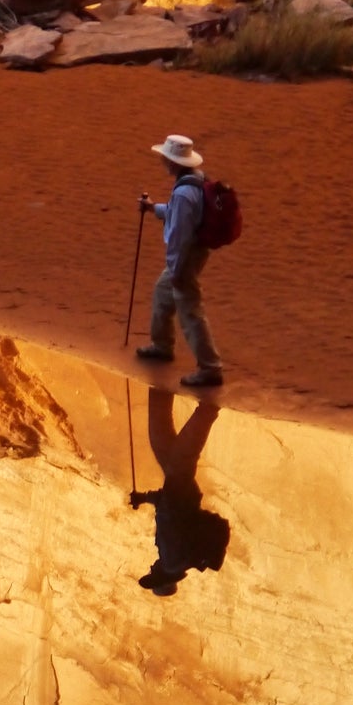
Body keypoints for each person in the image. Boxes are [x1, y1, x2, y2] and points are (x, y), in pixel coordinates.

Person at [134, 133, 223, 390]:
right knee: (164, 294)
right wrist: (154, 208)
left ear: (173, 162)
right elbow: (177, 214)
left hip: (186, 256)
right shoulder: (194, 180)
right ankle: (162, 345)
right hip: (191, 252)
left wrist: (176, 269)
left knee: (189, 308)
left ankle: (210, 368)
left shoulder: (185, 192)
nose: (163, 161)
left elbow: (179, 236)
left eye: (165, 157)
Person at [129, 387, 229, 595]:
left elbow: (167, 510)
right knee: (184, 454)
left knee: (160, 441)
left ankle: (161, 393)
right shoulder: (172, 559)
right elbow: (172, 512)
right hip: (181, 493)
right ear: (161, 578)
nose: (150, 568)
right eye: (152, 574)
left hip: (181, 494)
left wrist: (145, 497)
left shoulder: (173, 559)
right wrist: (150, 498)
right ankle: (208, 408)